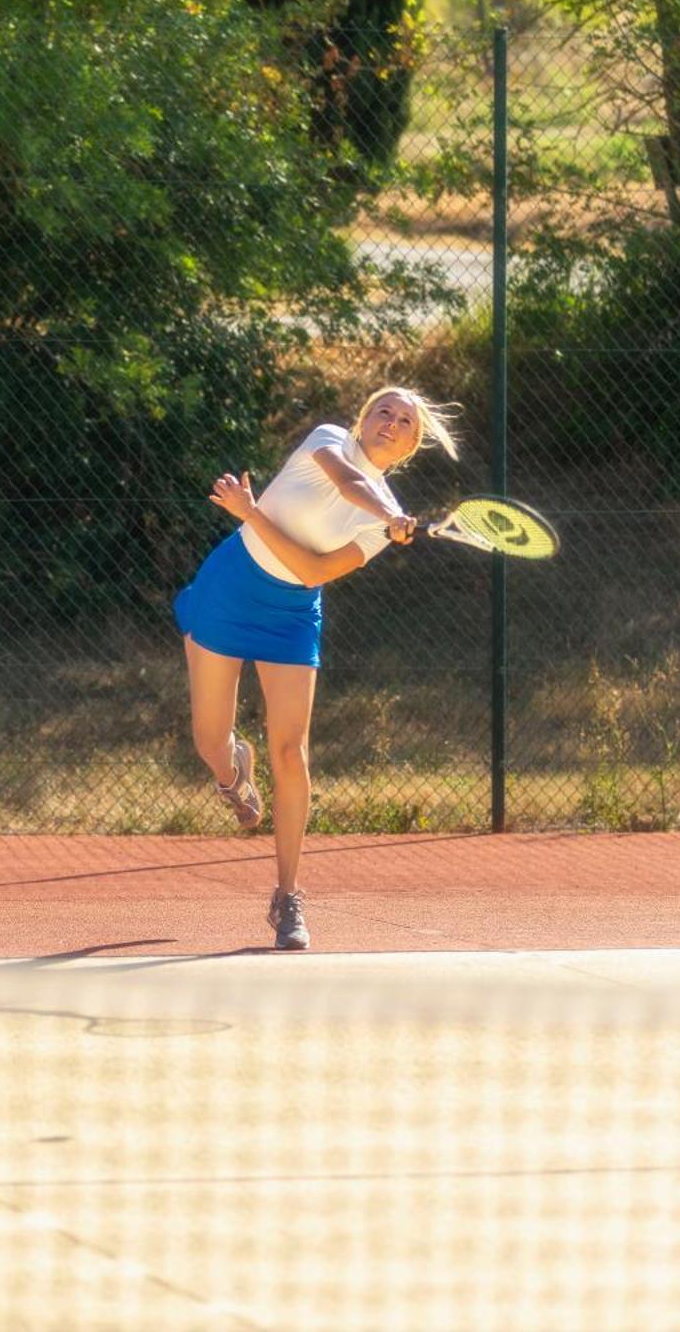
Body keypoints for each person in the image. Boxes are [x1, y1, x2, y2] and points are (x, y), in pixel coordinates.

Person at [172, 386, 459, 949]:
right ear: (364, 417)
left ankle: (288, 897)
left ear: (409, 445)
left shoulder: (382, 526)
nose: (391, 421)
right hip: (231, 585)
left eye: (405, 420)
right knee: (209, 741)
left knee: (291, 751)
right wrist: (254, 515)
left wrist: (383, 517)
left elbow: (309, 572)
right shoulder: (329, 440)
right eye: (384, 409)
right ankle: (233, 771)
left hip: (292, 611)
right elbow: (349, 483)